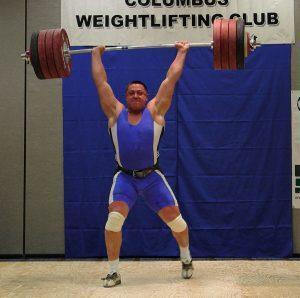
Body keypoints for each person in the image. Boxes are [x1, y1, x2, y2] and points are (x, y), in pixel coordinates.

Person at [92, 41, 193, 288]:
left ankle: (186, 257)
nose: (136, 95)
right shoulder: (115, 113)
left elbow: (171, 79)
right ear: (125, 97)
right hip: (125, 178)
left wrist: (182, 52)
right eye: (131, 93)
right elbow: (101, 82)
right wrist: (96, 54)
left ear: (146, 96)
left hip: (152, 178)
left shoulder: (156, 110)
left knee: (177, 223)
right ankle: (114, 272)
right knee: (113, 220)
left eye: (140, 92)